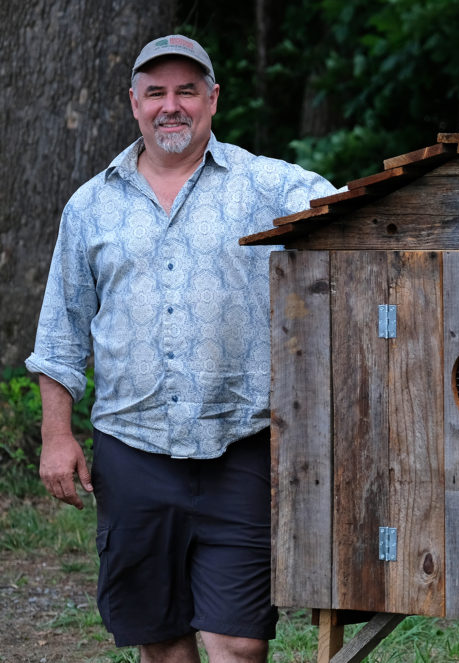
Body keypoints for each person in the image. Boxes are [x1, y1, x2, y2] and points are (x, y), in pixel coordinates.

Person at [26, 35, 337, 663]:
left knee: (241, 642)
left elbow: (349, 219)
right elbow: (61, 331)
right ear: (135, 103)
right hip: (132, 448)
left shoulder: (267, 188)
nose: (172, 106)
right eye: (157, 93)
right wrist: (57, 436)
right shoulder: (90, 207)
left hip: (241, 447)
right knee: (161, 640)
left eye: (187, 91)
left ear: (213, 100)